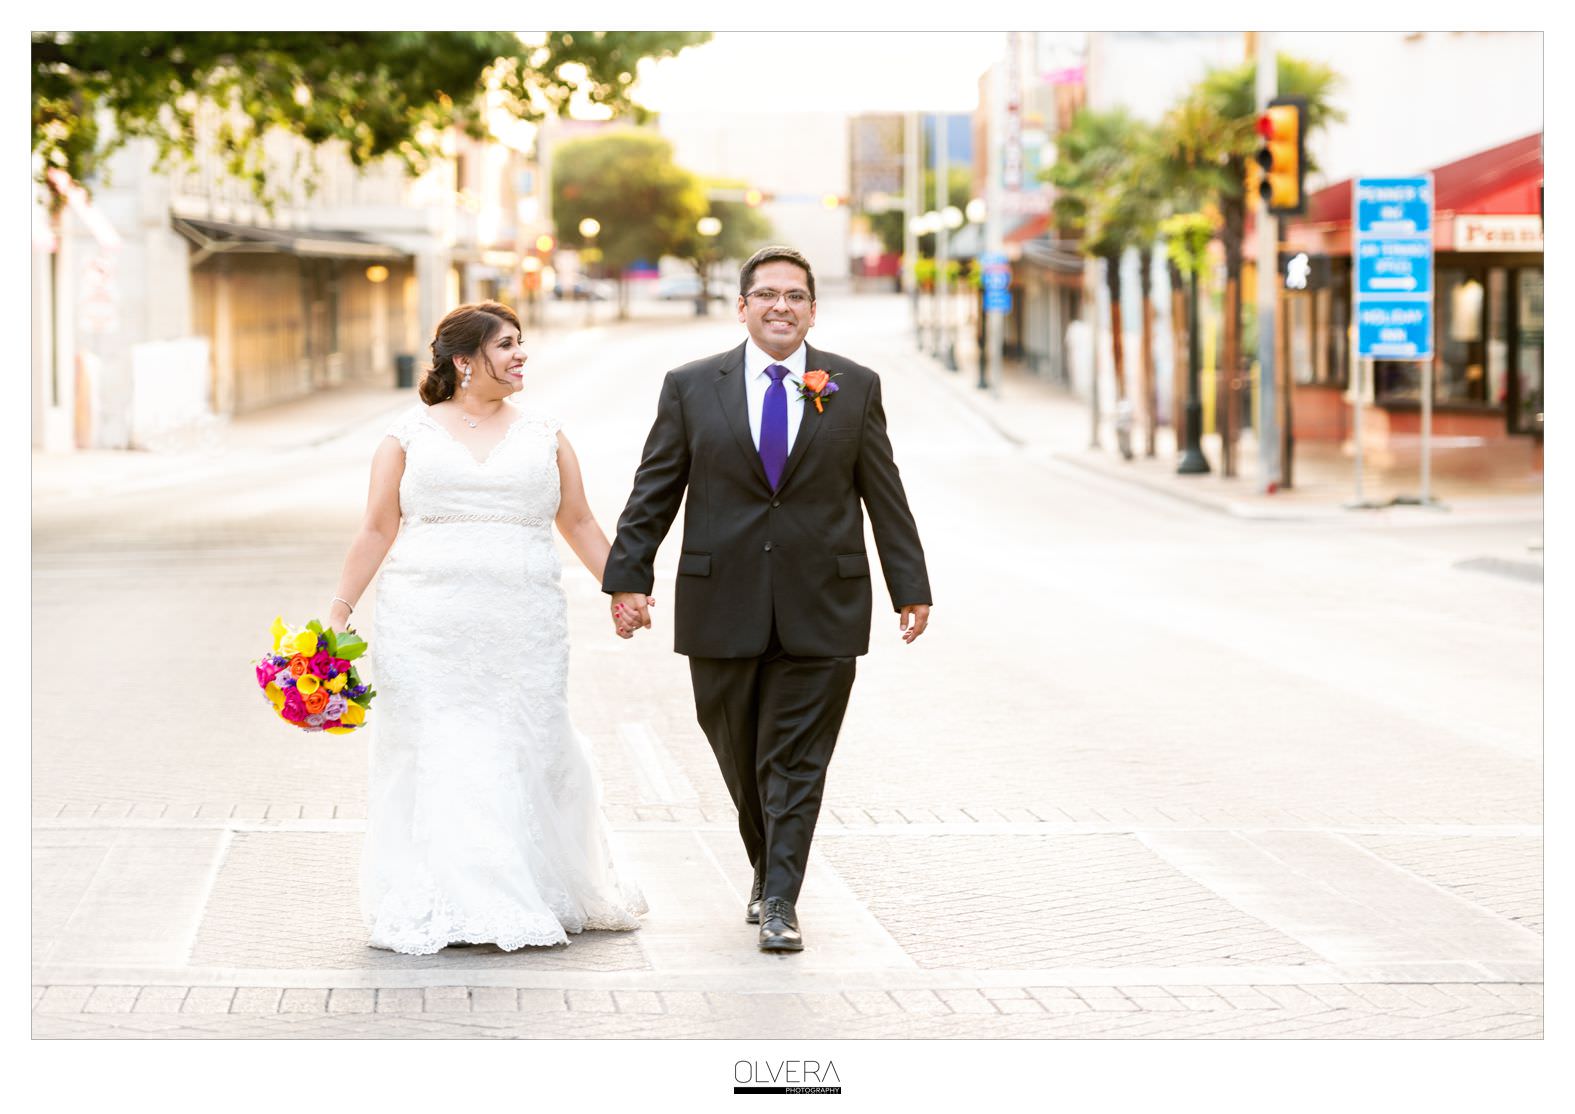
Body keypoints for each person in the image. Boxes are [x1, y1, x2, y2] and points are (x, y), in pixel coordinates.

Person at [603, 246, 931, 953]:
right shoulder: (692, 386)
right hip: (720, 601)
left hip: (824, 604)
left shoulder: (853, 384)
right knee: (740, 753)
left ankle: (780, 896)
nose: (780, 305)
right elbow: (655, 486)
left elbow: (884, 492)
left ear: (813, 309)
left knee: (796, 760)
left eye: (794, 295)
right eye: (766, 294)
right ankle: (768, 861)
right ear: (743, 306)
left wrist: (910, 585)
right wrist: (629, 576)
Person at [327, 301, 646, 955]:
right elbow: (376, 529)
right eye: (506, 345)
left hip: (522, 622)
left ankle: (528, 885)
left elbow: (580, 523)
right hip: (425, 625)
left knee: (523, 743)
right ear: (465, 361)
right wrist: (338, 610)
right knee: (441, 751)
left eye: (521, 343)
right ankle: (450, 895)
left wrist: (622, 588)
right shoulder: (406, 438)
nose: (521, 354)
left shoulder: (546, 435)